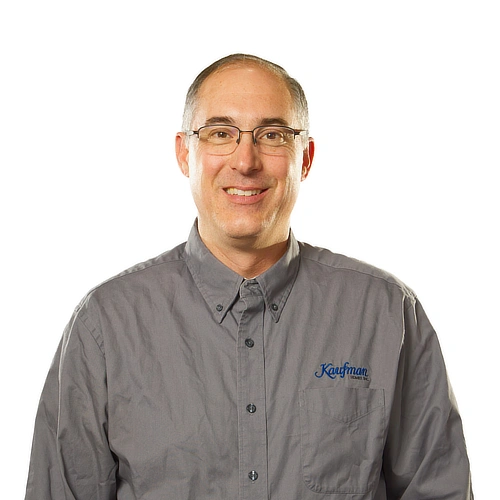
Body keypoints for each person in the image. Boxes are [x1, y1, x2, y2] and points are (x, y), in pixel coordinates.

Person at [25, 53, 473, 499]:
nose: (245, 161)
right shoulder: (105, 325)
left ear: (305, 158)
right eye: (220, 133)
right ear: (185, 153)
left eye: (272, 135)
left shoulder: (387, 314)